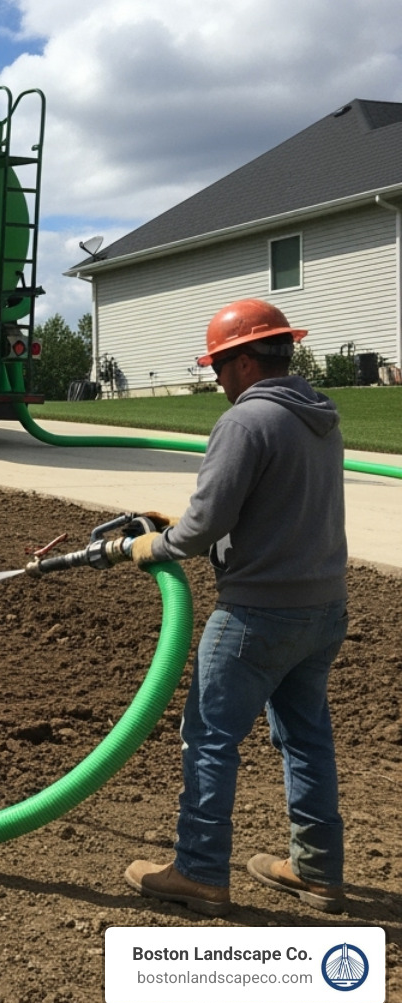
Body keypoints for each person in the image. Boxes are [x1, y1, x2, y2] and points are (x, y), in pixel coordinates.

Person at [122, 298, 348, 916]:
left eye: (219, 365)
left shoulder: (246, 421)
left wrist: (155, 544)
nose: (217, 378)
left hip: (257, 615)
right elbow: (272, 507)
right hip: (324, 608)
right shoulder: (319, 416)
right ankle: (318, 871)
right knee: (306, 738)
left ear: (246, 361)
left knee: (208, 738)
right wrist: (191, 522)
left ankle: (198, 871)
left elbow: (201, 529)